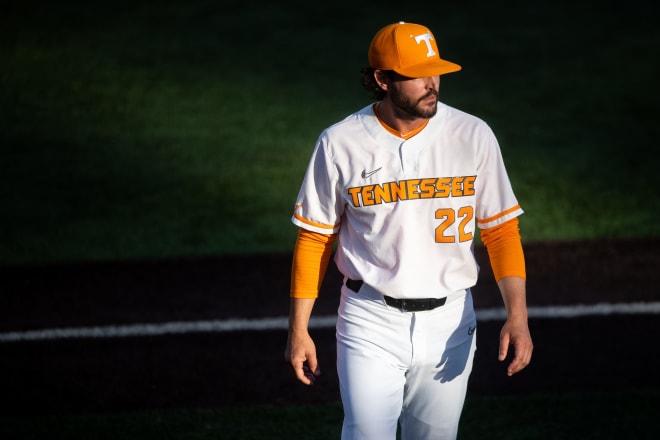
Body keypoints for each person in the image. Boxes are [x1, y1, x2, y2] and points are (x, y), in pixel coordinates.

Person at [284, 21, 533, 440]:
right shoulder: (340, 142)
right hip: (369, 320)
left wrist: (519, 316)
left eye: (435, 71)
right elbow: (316, 238)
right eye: (418, 75)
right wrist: (298, 329)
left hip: (451, 321)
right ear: (382, 79)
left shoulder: (472, 135)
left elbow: (501, 231)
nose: (432, 83)